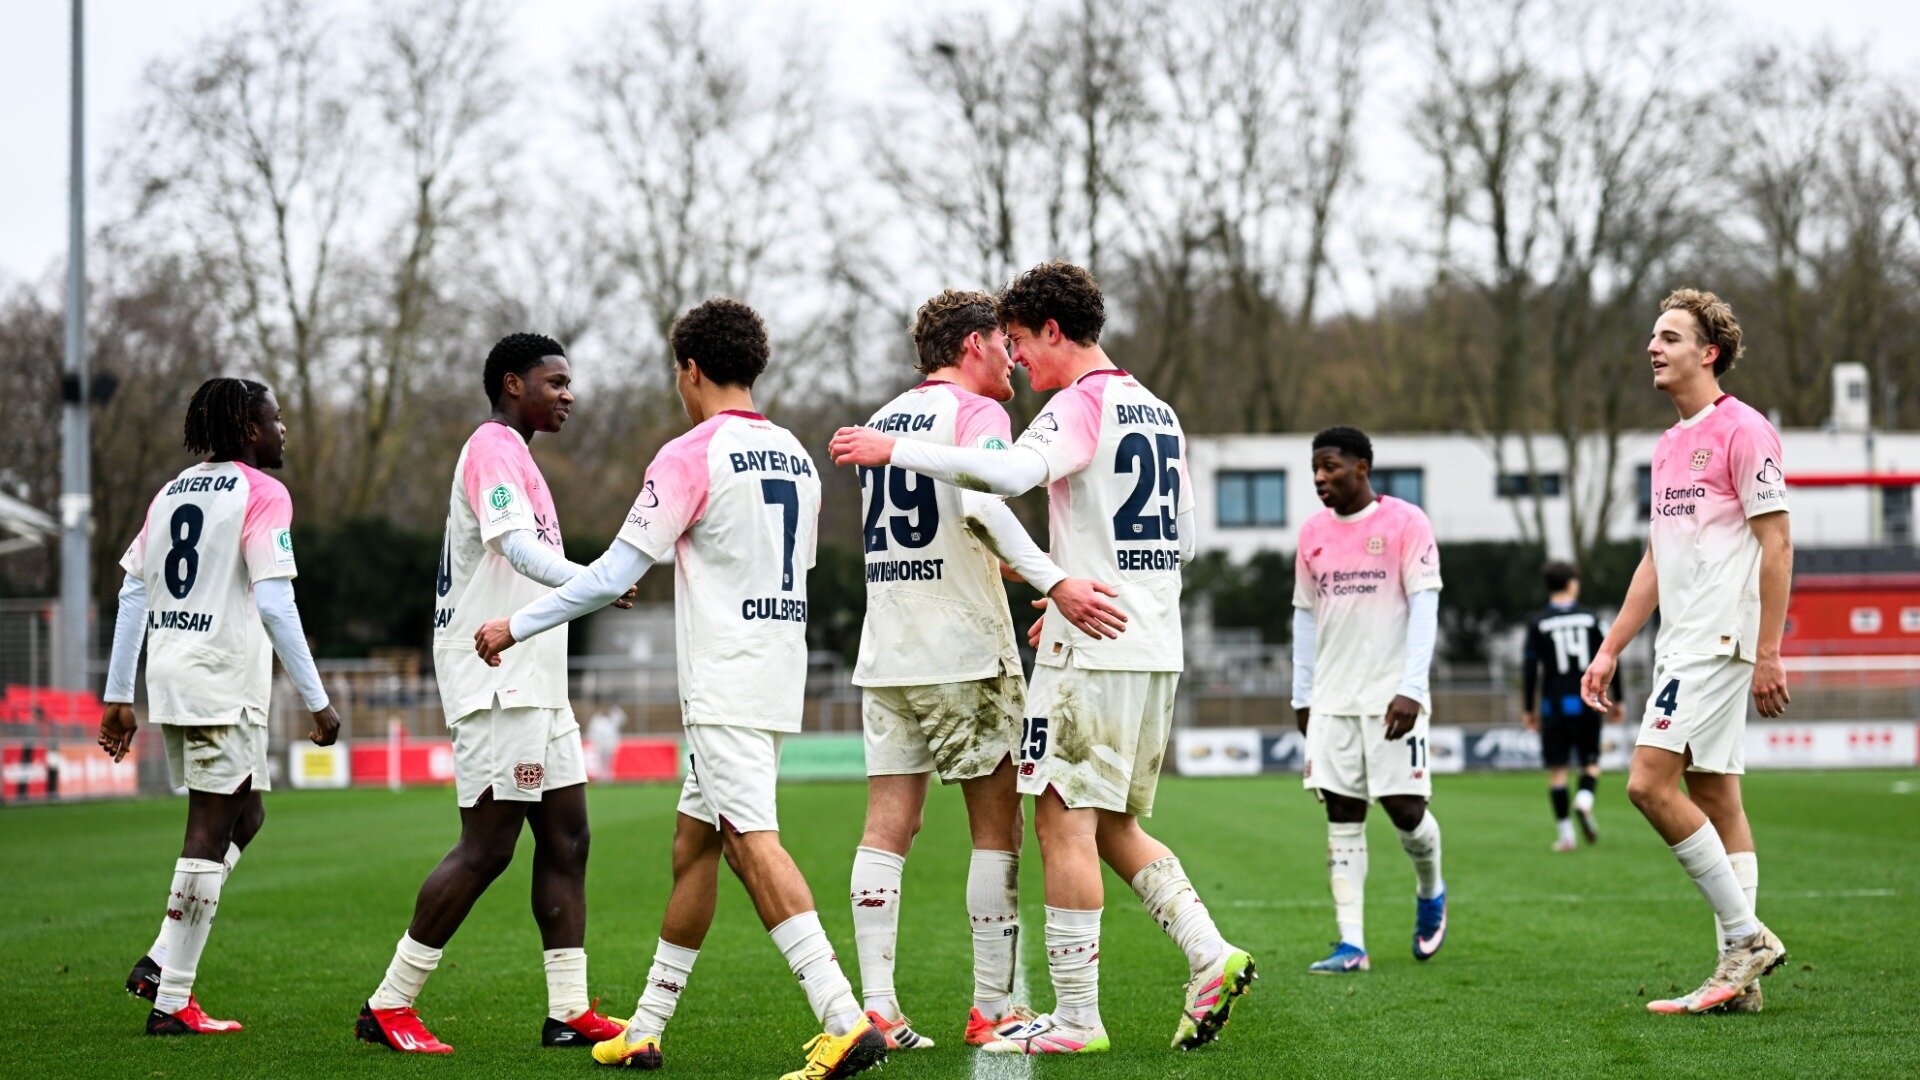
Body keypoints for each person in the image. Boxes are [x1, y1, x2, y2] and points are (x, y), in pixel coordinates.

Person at [831, 261, 1255, 1055]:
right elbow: (1185, 540)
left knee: (1054, 819)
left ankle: (1064, 1019)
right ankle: (1206, 955)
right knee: (1105, 823)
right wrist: (1068, 582)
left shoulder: (1052, 406)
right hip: (1149, 638)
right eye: (1006, 344)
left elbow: (1012, 478)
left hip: (1010, 643)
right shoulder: (1158, 411)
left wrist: (902, 452)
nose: (1018, 359)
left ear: (1052, 330)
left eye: (1022, 340)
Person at [475, 299, 886, 1080]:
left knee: (750, 841)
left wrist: (514, 625)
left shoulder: (691, 453)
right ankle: (647, 1026)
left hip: (725, 680)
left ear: (689, 369)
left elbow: (613, 576)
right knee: (694, 846)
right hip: (775, 668)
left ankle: (842, 1019)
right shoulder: (795, 455)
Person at [846, 289, 1124, 1051]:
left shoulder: (883, 422)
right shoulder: (978, 416)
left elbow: (937, 534)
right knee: (995, 828)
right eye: (1002, 343)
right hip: (961, 651)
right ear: (972, 345)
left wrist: (999, 568)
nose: (1012, 356)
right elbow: (993, 507)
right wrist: (1052, 580)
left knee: (886, 828)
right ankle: (992, 1007)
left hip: (888, 648)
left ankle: (878, 1010)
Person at [355, 333, 628, 1054]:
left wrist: (585, 581)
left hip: (536, 674)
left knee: (568, 838)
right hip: (495, 669)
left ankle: (568, 1010)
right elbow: (516, 549)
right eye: (555, 381)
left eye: (569, 382)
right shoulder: (493, 448)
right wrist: (593, 577)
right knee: (488, 847)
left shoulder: (520, 456)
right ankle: (388, 1004)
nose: (568, 394)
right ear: (513, 384)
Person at [99, 376, 340, 1035]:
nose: (283, 429)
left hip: (175, 676)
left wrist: (122, 695)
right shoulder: (262, 492)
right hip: (222, 680)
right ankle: (172, 1001)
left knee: (246, 814)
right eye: (275, 418)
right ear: (247, 430)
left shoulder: (171, 490)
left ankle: (157, 958)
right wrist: (318, 702)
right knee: (206, 832)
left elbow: (130, 595)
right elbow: (273, 601)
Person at [1582, 288, 1791, 1015]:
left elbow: (1777, 541)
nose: (1652, 346)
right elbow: (1654, 560)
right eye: (1652, 334)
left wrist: (1769, 650)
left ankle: (1745, 936)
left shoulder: (1745, 430)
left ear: (1710, 352)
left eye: (1669, 336)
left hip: (1718, 637)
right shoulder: (1669, 444)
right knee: (1715, 795)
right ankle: (1743, 979)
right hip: (1684, 640)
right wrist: (1610, 649)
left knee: (1647, 785)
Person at [1289, 426, 1448, 975]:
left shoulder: (1406, 522)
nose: (1319, 478)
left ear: (1362, 466)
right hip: (1332, 699)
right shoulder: (1311, 532)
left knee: (1406, 812)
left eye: (1330, 466)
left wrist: (1412, 688)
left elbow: (1425, 608)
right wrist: (1302, 693)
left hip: (1390, 696)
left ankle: (1431, 891)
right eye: (1315, 468)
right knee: (1341, 811)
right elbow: (1304, 617)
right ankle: (1351, 944)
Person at [1521, 561, 1621, 851]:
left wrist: (1529, 708)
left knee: (1558, 770)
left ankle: (1566, 836)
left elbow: (1530, 668)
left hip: (1553, 705)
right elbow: (1612, 656)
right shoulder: (1591, 618)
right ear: (1572, 583)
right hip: (1586, 699)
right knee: (1590, 763)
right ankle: (1585, 799)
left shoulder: (1537, 622)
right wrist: (1619, 698)